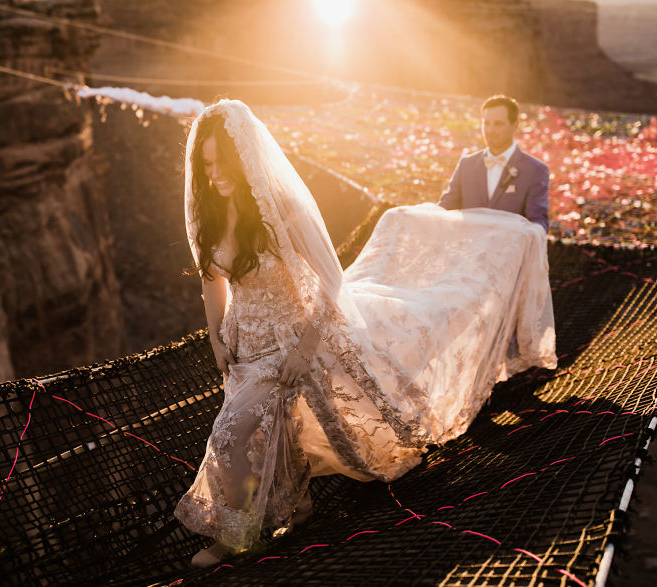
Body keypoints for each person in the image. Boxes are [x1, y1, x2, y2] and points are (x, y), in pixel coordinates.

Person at [174, 99, 557, 567]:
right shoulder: (212, 211)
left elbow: (329, 282)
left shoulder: (281, 209)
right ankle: (294, 510)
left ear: (243, 157)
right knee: (268, 434)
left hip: (291, 341)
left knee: (230, 439)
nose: (214, 175)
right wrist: (216, 336)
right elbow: (211, 279)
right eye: (206, 165)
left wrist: (304, 349)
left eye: (222, 163)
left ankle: (237, 539)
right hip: (244, 345)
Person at [438, 95, 550, 232]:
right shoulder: (466, 165)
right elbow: (444, 210)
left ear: (515, 125)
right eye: (486, 123)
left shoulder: (535, 171)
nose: (490, 130)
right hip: (468, 251)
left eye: (498, 124)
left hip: (509, 251)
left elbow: (538, 222)